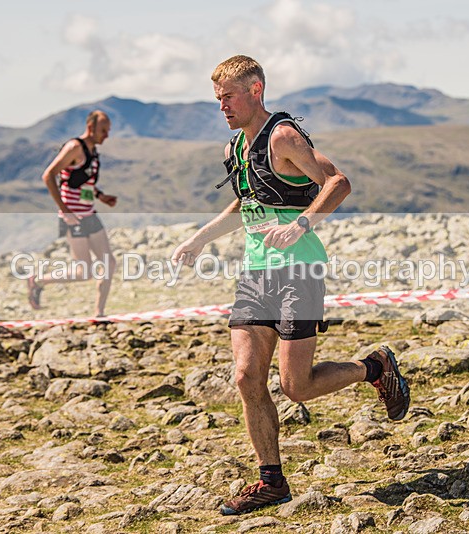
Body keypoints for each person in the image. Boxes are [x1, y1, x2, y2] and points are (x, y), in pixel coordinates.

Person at [172, 55, 411, 515]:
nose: (221, 105)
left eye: (228, 96)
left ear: (255, 90)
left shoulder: (283, 136)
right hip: (256, 273)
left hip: (299, 271)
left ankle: (374, 368)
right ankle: (271, 481)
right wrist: (199, 239)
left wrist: (301, 224)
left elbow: (337, 182)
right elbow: (247, 206)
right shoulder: (234, 149)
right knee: (245, 376)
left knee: (296, 387)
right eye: (217, 98)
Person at [26, 110, 117, 316]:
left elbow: (82, 182)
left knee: (109, 263)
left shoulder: (93, 152)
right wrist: (65, 210)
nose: (107, 136)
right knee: (83, 271)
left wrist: (101, 196)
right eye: (103, 130)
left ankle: (99, 313)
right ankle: (38, 280)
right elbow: (49, 175)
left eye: (108, 131)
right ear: (91, 128)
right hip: (73, 217)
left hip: (89, 214)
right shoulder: (74, 147)